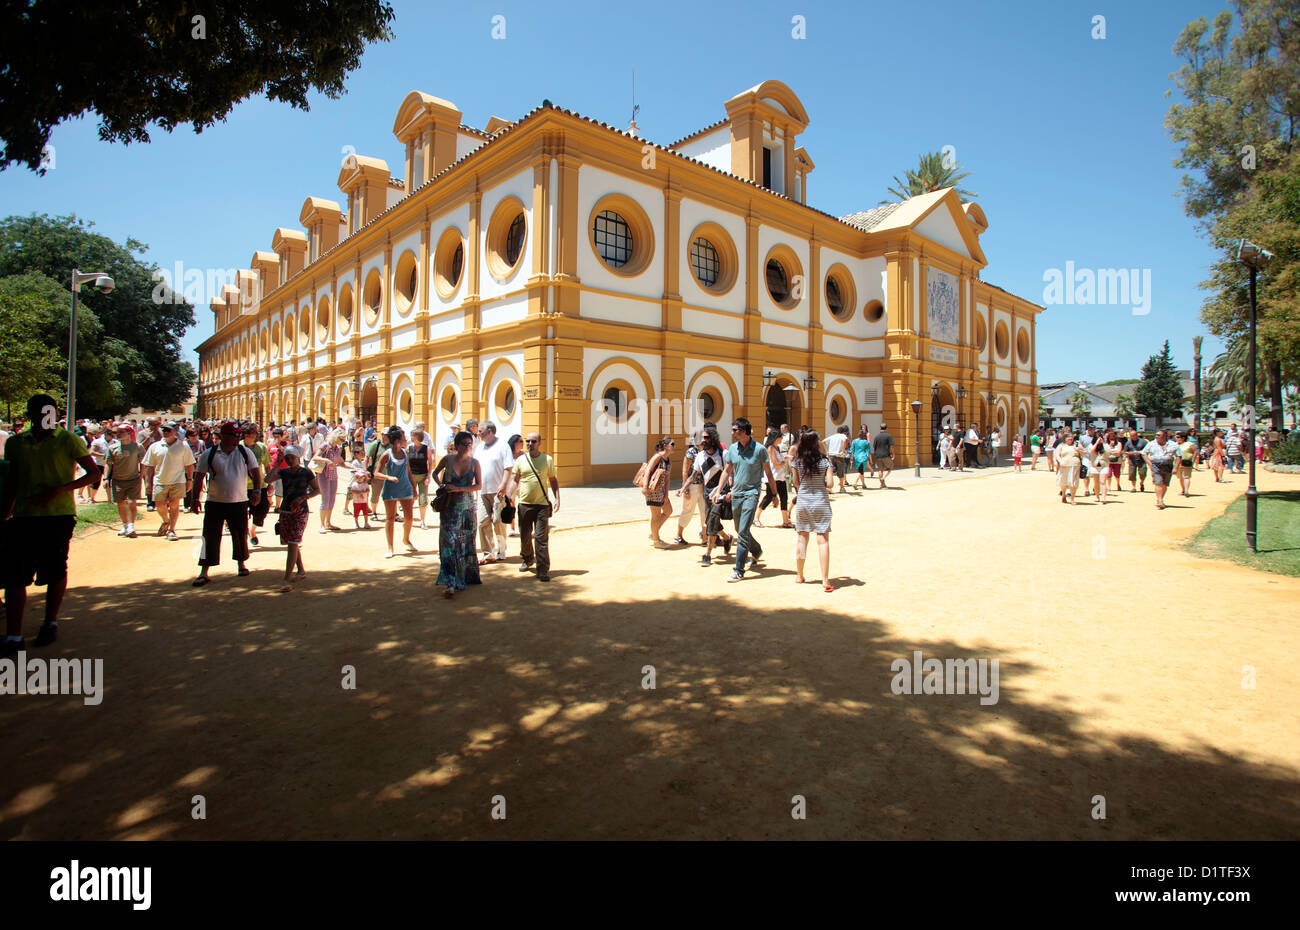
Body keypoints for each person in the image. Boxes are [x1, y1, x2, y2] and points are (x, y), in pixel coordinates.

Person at [1, 394, 100, 655]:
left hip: (58, 516)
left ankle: (50, 621)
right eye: (38, 412)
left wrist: (60, 490)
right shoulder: (15, 444)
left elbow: (93, 473)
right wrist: (5, 511)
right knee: (15, 575)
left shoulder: (68, 440)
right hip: (23, 517)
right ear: (31, 414)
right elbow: (12, 482)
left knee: (55, 570)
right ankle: (13, 635)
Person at [193, 421, 262, 586]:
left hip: (238, 501)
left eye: (239, 435)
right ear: (223, 436)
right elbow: (199, 477)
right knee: (209, 536)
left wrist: (257, 491)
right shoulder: (209, 454)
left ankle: (241, 564)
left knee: (239, 534)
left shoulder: (245, 453)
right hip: (215, 502)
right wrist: (195, 499)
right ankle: (204, 570)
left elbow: (255, 472)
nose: (237, 438)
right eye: (234, 435)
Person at [711, 417, 775, 583]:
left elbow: (768, 473)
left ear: (745, 431)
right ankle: (757, 550)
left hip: (752, 494)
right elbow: (726, 471)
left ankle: (738, 570)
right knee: (740, 529)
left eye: (735, 430)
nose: (732, 433)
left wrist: (774, 494)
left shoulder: (760, 450)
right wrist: (719, 491)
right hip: (736, 494)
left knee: (743, 532)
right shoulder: (732, 449)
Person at [501, 432, 560, 582]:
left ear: (539, 442)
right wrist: (508, 494)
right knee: (525, 536)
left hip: (541, 505)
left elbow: (553, 480)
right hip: (525, 505)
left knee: (541, 538)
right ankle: (527, 558)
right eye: (527, 441)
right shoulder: (520, 460)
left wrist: (557, 498)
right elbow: (515, 480)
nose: (529, 444)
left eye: (533, 441)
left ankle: (543, 569)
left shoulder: (547, 460)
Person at [431, 430, 483, 597]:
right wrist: (442, 485)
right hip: (449, 509)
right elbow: (434, 473)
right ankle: (450, 582)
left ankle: (464, 578)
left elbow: (478, 486)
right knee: (448, 545)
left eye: (470, 444)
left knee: (465, 545)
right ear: (457, 445)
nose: (467, 447)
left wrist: (459, 488)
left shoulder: (474, 463)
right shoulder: (448, 459)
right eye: (464, 444)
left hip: (467, 509)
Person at [790, 429, 834, 592]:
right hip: (821, 502)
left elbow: (795, 482)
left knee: (802, 538)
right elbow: (829, 484)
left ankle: (799, 574)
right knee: (822, 540)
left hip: (803, 501)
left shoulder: (797, 461)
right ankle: (825, 579)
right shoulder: (825, 461)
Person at [274, 445, 320, 593]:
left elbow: (317, 490)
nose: (289, 461)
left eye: (291, 458)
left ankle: (286, 579)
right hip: (286, 510)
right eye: (287, 458)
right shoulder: (283, 472)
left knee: (293, 542)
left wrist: (303, 498)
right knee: (291, 541)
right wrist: (277, 463)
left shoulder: (306, 472)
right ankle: (300, 570)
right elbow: (267, 479)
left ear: (298, 457)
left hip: (300, 511)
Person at [141, 421, 196, 541]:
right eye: (164, 430)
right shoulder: (155, 446)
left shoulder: (183, 446)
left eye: (168, 430)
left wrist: (190, 480)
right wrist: (147, 482)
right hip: (160, 480)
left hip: (178, 481)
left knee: (174, 505)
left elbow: (189, 465)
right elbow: (149, 466)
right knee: (160, 505)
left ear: (176, 432)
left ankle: (172, 529)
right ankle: (166, 521)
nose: (166, 432)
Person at [472, 422, 514, 563]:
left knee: (498, 521)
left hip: (498, 492)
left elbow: (508, 467)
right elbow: (474, 467)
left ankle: (501, 550)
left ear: (490, 431)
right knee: (483, 522)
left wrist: (503, 485)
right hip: (482, 491)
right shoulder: (479, 448)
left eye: (481, 431)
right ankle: (488, 553)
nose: (478, 433)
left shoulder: (502, 446)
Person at [375, 426, 416, 558]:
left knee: (409, 518)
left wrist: (414, 488)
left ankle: (406, 538)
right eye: (404, 438)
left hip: (405, 488)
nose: (406, 440)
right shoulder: (387, 454)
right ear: (398, 440)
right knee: (390, 519)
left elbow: (409, 471)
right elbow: (376, 473)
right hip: (391, 490)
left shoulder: (405, 453)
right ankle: (390, 547)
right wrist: (388, 477)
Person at [694, 428, 733, 565]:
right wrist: (684, 487)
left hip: (720, 493)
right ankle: (727, 538)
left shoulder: (723, 454)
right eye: (702, 438)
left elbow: (731, 470)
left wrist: (732, 488)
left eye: (707, 438)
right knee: (712, 521)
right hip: (707, 493)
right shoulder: (700, 456)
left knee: (711, 521)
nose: (704, 440)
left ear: (713, 439)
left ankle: (707, 554)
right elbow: (694, 474)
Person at [105, 424, 143, 537]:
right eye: (118, 432)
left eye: (122, 432)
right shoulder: (112, 448)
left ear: (129, 433)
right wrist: (106, 478)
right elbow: (108, 464)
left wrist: (141, 475)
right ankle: (125, 525)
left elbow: (143, 462)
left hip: (133, 479)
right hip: (118, 480)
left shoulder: (137, 446)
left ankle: (131, 525)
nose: (119, 434)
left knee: (132, 502)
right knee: (120, 503)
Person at [641, 436, 676, 548]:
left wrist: (666, 494)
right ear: (665, 446)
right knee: (655, 516)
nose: (674, 446)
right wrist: (645, 487)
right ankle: (656, 540)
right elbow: (648, 471)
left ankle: (654, 532)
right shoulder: (657, 457)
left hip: (661, 491)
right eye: (672, 444)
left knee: (668, 510)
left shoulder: (668, 461)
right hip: (653, 490)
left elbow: (667, 479)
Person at [242, 424, 272, 546]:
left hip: (259, 485)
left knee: (262, 510)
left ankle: (252, 530)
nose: (256, 435)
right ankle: (243, 539)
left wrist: (270, 482)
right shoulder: (238, 447)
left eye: (256, 432)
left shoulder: (261, 447)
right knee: (241, 515)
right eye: (253, 433)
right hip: (241, 487)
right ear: (246, 435)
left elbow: (267, 466)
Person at [757, 427, 793, 527]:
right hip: (773, 477)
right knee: (769, 497)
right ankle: (756, 517)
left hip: (780, 476)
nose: (782, 439)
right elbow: (776, 463)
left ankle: (785, 521)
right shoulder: (770, 448)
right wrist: (784, 461)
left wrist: (785, 458)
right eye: (780, 437)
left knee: (784, 497)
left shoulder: (777, 448)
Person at [312, 427, 345, 533]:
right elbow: (315, 457)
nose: (342, 442)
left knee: (331, 499)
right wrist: (326, 460)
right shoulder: (325, 445)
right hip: (324, 474)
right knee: (325, 499)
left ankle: (328, 522)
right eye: (341, 439)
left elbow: (340, 462)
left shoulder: (337, 449)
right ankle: (322, 524)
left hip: (333, 475)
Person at [1144, 429, 1178, 510]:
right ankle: (1160, 500)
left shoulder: (1173, 444)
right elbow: (1144, 453)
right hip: (1155, 464)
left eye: (1158, 435)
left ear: (1165, 436)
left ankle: (1160, 498)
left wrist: (1176, 467)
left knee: (1164, 484)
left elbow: (1179, 456)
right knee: (1158, 482)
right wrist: (1150, 464)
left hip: (1168, 465)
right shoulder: (1151, 444)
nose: (1156, 436)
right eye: (1156, 435)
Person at [408, 428, 432, 529]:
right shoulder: (408, 448)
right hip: (411, 476)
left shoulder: (426, 448)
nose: (411, 437)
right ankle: (409, 519)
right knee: (410, 499)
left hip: (423, 476)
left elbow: (430, 462)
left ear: (417, 437)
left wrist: (428, 476)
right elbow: (407, 464)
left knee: (423, 499)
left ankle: (422, 521)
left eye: (413, 435)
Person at [347, 454, 374, 529]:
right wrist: (360, 493)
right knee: (356, 513)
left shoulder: (365, 484)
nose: (359, 478)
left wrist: (363, 493)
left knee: (365, 513)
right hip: (356, 501)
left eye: (361, 477)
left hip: (364, 501)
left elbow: (368, 490)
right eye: (358, 477)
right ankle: (356, 523)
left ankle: (366, 523)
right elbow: (352, 491)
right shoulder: (354, 484)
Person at [1054, 429, 1080, 503]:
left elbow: (1084, 453)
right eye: (1069, 438)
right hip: (1064, 465)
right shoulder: (1061, 446)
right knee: (1063, 481)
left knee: (1073, 481)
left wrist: (1079, 449)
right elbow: (1057, 454)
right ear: (1065, 438)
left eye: (1072, 438)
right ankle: (1064, 494)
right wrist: (1059, 461)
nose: (1071, 439)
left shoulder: (1076, 444)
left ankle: (1072, 499)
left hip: (1075, 464)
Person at [825, 425, 850, 493]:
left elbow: (823, 441)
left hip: (831, 455)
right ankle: (841, 487)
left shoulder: (832, 436)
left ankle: (829, 488)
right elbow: (845, 440)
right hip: (838, 456)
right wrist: (842, 450)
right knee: (840, 471)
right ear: (843, 432)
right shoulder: (842, 436)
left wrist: (826, 451)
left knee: (830, 471)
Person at [1123, 428, 1148, 492]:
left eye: (1133, 435)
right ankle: (1133, 487)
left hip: (1142, 460)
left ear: (1136, 435)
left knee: (1143, 473)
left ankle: (1142, 483)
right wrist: (1130, 453)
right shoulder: (1128, 443)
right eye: (1131, 436)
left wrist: (1140, 452)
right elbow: (1125, 451)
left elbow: (1147, 450)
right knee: (1132, 474)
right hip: (1132, 460)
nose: (1132, 437)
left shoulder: (1143, 442)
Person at [871, 423, 894, 488]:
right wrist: (893, 454)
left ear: (880, 428)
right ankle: (883, 478)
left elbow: (874, 446)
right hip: (886, 455)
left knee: (880, 470)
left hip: (878, 455)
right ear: (886, 428)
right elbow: (891, 446)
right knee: (890, 468)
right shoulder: (888, 436)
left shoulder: (877, 436)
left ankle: (881, 484)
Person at [1176, 430, 1197, 498]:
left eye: (1178, 437)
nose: (1177, 438)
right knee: (1180, 477)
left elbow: (1195, 452)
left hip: (1186, 461)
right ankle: (1183, 490)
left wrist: (1193, 461)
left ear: (1183, 438)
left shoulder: (1189, 444)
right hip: (1177, 463)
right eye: (1176, 437)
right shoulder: (1175, 444)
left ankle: (1186, 490)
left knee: (1186, 476)